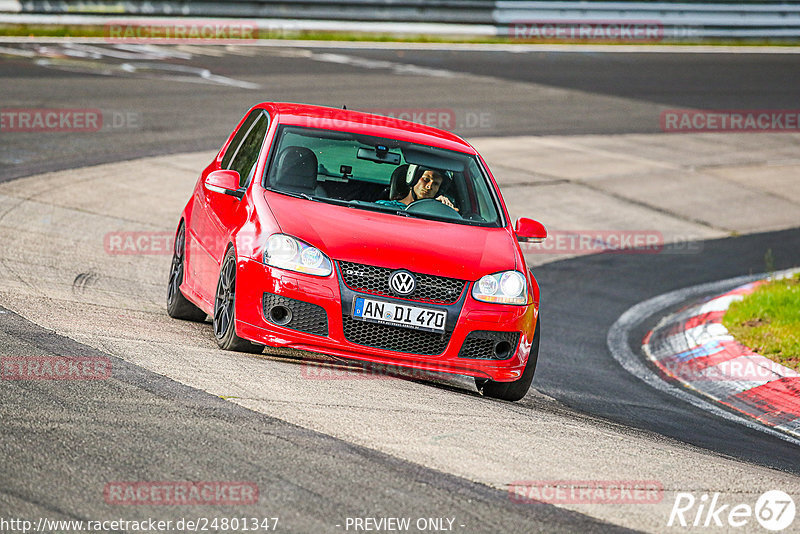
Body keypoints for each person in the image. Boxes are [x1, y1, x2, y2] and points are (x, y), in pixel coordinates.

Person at [376, 166, 458, 211]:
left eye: (436, 184)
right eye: (426, 179)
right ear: (412, 179)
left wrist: (445, 210)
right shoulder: (383, 206)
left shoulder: (436, 213)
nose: (429, 187)